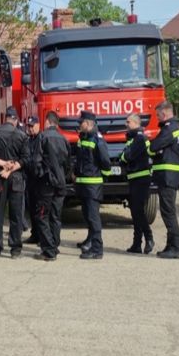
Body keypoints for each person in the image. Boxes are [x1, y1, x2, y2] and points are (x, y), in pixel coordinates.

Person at [0, 106, 28, 258]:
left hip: (0, 178)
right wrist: (11, 166)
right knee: (16, 215)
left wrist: (4, 165)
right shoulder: (22, 136)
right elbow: (25, 160)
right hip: (16, 179)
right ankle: (15, 249)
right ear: (15, 120)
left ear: (5, 119)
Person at [32, 112, 71, 261]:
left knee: (42, 215)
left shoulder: (42, 137)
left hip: (46, 184)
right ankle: (54, 245)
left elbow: (36, 161)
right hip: (60, 184)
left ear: (47, 122)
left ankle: (48, 250)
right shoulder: (64, 139)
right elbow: (68, 164)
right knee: (56, 216)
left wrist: (39, 176)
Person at [74, 110, 111, 259]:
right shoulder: (83, 138)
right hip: (84, 185)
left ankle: (97, 249)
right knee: (88, 216)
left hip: (92, 185)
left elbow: (105, 162)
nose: (79, 125)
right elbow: (80, 160)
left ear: (88, 124)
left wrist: (104, 177)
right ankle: (90, 241)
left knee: (93, 217)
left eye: (81, 122)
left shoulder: (97, 140)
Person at [150, 100, 179, 259]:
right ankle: (171, 246)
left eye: (158, 115)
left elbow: (154, 146)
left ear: (164, 113)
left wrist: (154, 148)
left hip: (168, 178)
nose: (157, 118)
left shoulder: (169, 129)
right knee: (168, 212)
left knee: (168, 213)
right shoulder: (176, 128)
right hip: (170, 177)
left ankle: (176, 248)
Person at [120, 113, 154, 254]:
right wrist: (124, 156)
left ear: (135, 123)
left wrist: (124, 156)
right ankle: (137, 244)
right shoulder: (134, 138)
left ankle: (149, 237)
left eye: (128, 122)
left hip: (141, 179)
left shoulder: (140, 138)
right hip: (134, 179)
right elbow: (124, 156)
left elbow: (127, 156)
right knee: (135, 212)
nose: (126, 124)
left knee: (138, 211)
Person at [23, 116, 42, 244]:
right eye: (28, 126)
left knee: (40, 210)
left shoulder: (41, 139)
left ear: (38, 125)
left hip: (39, 180)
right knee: (31, 208)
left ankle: (41, 236)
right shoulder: (28, 140)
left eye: (32, 126)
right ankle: (35, 234)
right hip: (29, 179)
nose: (30, 128)